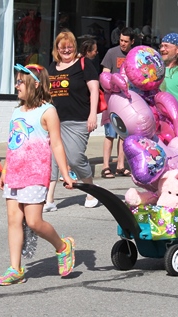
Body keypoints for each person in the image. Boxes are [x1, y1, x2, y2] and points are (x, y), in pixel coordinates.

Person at [0, 63, 75, 286]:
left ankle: (62, 246)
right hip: (15, 172)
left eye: (20, 81)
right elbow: (12, 144)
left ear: (35, 84)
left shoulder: (47, 111)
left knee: (34, 222)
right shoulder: (16, 111)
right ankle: (15, 269)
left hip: (36, 172)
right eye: (16, 81)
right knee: (13, 220)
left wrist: (65, 174)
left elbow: (57, 144)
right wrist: (4, 170)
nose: (16, 85)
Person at [45, 30, 99, 212]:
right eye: (62, 47)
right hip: (55, 120)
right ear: (57, 48)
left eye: (69, 46)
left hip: (78, 120)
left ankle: (91, 188)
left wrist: (93, 115)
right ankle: (49, 198)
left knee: (75, 158)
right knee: (52, 159)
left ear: (74, 47)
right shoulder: (52, 67)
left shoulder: (84, 64)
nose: (66, 50)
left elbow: (94, 91)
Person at [100, 27, 135, 179]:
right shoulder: (111, 53)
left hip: (127, 99)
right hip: (112, 98)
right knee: (110, 133)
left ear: (132, 42)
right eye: (121, 40)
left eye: (126, 41)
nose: (123, 44)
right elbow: (104, 74)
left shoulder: (135, 55)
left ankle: (121, 165)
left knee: (124, 134)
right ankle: (106, 166)